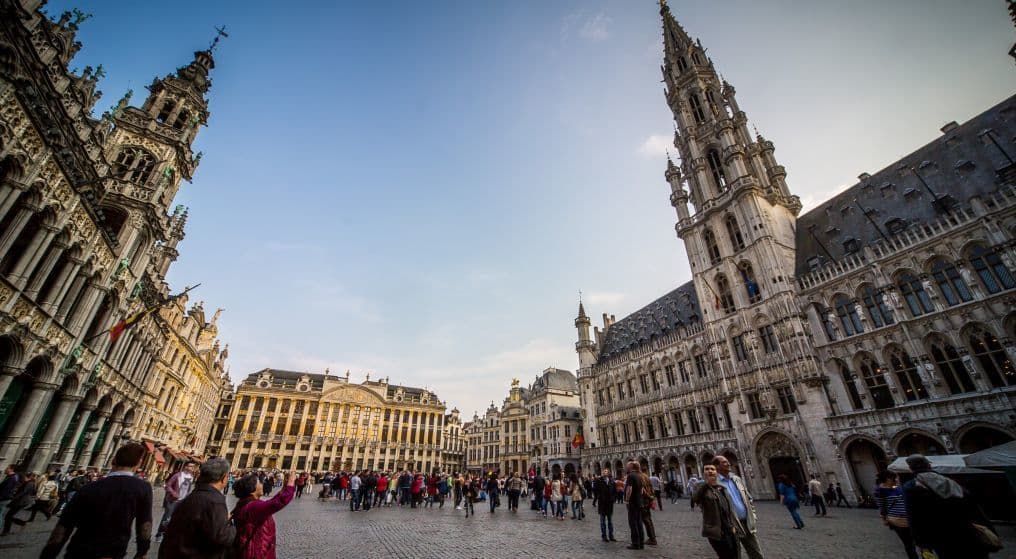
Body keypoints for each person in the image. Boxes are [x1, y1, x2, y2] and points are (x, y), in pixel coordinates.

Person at [39, 443, 153, 559]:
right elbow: (144, 524)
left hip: (78, 551)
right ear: (138, 463)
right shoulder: (142, 488)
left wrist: (48, 554)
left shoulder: (89, 488)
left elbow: (63, 526)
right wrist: (142, 552)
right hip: (110, 553)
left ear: (113, 461)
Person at [903, 454, 998, 559]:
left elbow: (914, 517)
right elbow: (974, 507)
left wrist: (921, 543)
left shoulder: (911, 487)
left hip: (942, 538)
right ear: (929, 466)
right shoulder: (950, 481)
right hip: (968, 532)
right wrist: (990, 530)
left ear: (910, 468)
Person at [158, 458, 236, 559]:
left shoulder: (193, 496)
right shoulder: (215, 501)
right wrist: (231, 525)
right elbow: (222, 537)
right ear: (224, 478)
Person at [231, 471, 295, 559]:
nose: (262, 484)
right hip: (257, 552)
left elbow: (270, 503)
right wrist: (291, 484)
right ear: (252, 490)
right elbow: (277, 503)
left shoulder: (249, 503)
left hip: (258, 548)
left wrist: (284, 488)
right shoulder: (253, 507)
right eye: (259, 483)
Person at [713, 456, 765, 559]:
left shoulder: (736, 479)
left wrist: (753, 516)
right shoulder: (714, 484)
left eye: (728, 461)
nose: (728, 464)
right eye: (724, 462)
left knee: (756, 554)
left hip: (746, 523)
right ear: (717, 466)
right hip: (730, 526)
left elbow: (748, 498)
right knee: (733, 555)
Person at [693, 463, 743, 559]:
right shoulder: (700, 486)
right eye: (707, 469)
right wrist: (706, 483)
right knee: (725, 555)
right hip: (715, 530)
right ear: (703, 472)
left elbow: (729, 508)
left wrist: (733, 526)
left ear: (716, 472)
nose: (710, 471)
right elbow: (695, 498)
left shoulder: (722, 488)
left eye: (712, 469)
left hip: (729, 528)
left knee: (736, 554)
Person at [874, 471, 918, 559]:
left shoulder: (897, 488)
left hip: (911, 518)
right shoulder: (880, 492)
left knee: (921, 542)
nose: (897, 479)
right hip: (897, 521)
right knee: (909, 544)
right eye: (895, 478)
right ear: (888, 479)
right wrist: (884, 519)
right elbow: (882, 507)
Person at [155, 462, 195, 540]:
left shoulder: (191, 477)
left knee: (176, 518)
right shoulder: (178, 475)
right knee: (166, 517)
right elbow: (168, 485)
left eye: (194, 467)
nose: (193, 468)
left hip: (182, 501)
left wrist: (187, 497)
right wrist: (174, 493)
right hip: (173, 501)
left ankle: (169, 534)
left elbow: (188, 489)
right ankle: (159, 535)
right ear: (186, 467)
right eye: (191, 466)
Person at [624, 461, 645, 550]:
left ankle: (635, 543)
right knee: (639, 522)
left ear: (631, 467)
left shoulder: (631, 476)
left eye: (627, 466)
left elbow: (629, 489)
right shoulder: (640, 476)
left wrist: (627, 500)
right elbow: (642, 490)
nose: (626, 467)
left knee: (633, 523)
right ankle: (641, 543)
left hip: (632, 502)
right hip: (639, 502)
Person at [594, 468, 616, 542]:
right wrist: (599, 496)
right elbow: (595, 490)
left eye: (606, 471)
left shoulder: (612, 481)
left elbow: (614, 491)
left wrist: (613, 499)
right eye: (603, 471)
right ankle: (604, 536)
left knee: (610, 521)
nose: (604, 472)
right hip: (602, 503)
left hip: (609, 503)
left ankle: (611, 535)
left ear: (609, 473)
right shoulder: (599, 480)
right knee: (602, 521)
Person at [637, 468, 657, 546]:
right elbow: (651, 488)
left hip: (643, 501)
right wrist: (652, 497)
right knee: (648, 519)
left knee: (646, 520)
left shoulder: (639, 477)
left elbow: (642, 490)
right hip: (647, 501)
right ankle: (652, 537)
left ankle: (652, 538)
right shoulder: (645, 476)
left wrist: (649, 496)